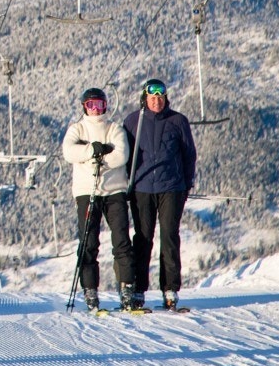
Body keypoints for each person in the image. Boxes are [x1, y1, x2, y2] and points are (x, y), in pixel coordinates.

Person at [124, 77, 197, 310]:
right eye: (152, 97)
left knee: (169, 237)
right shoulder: (133, 121)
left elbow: (189, 155)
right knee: (143, 238)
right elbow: (125, 155)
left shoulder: (178, 121)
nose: (157, 101)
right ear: (144, 99)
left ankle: (170, 289)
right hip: (142, 188)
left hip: (171, 188)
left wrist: (186, 184)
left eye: (160, 97)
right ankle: (138, 290)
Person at [62, 86, 135, 311]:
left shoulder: (114, 128)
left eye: (99, 105)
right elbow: (69, 152)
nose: (95, 109)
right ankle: (90, 290)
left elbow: (122, 155)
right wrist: (94, 151)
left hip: (114, 191)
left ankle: (126, 287)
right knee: (88, 242)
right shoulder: (77, 128)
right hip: (87, 191)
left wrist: (93, 159)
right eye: (91, 105)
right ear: (84, 107)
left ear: (106, 106)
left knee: (121, 241)